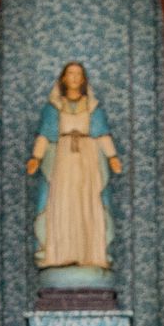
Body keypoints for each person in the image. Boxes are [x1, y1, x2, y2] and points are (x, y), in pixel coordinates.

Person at [27, 61, 123, 270]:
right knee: (62, 201)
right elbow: (45, 135)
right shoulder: (53, 107)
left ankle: (90, 254)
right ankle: (61, 253)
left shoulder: (93, 107)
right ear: (63, 78)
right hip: (63, 160)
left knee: (87, 201)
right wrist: (36, 157)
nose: (74, 78)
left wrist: (112, 156)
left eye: (78, 74)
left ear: (83, 79)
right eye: (70, 74)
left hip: (87, 160)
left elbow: (102, 135)